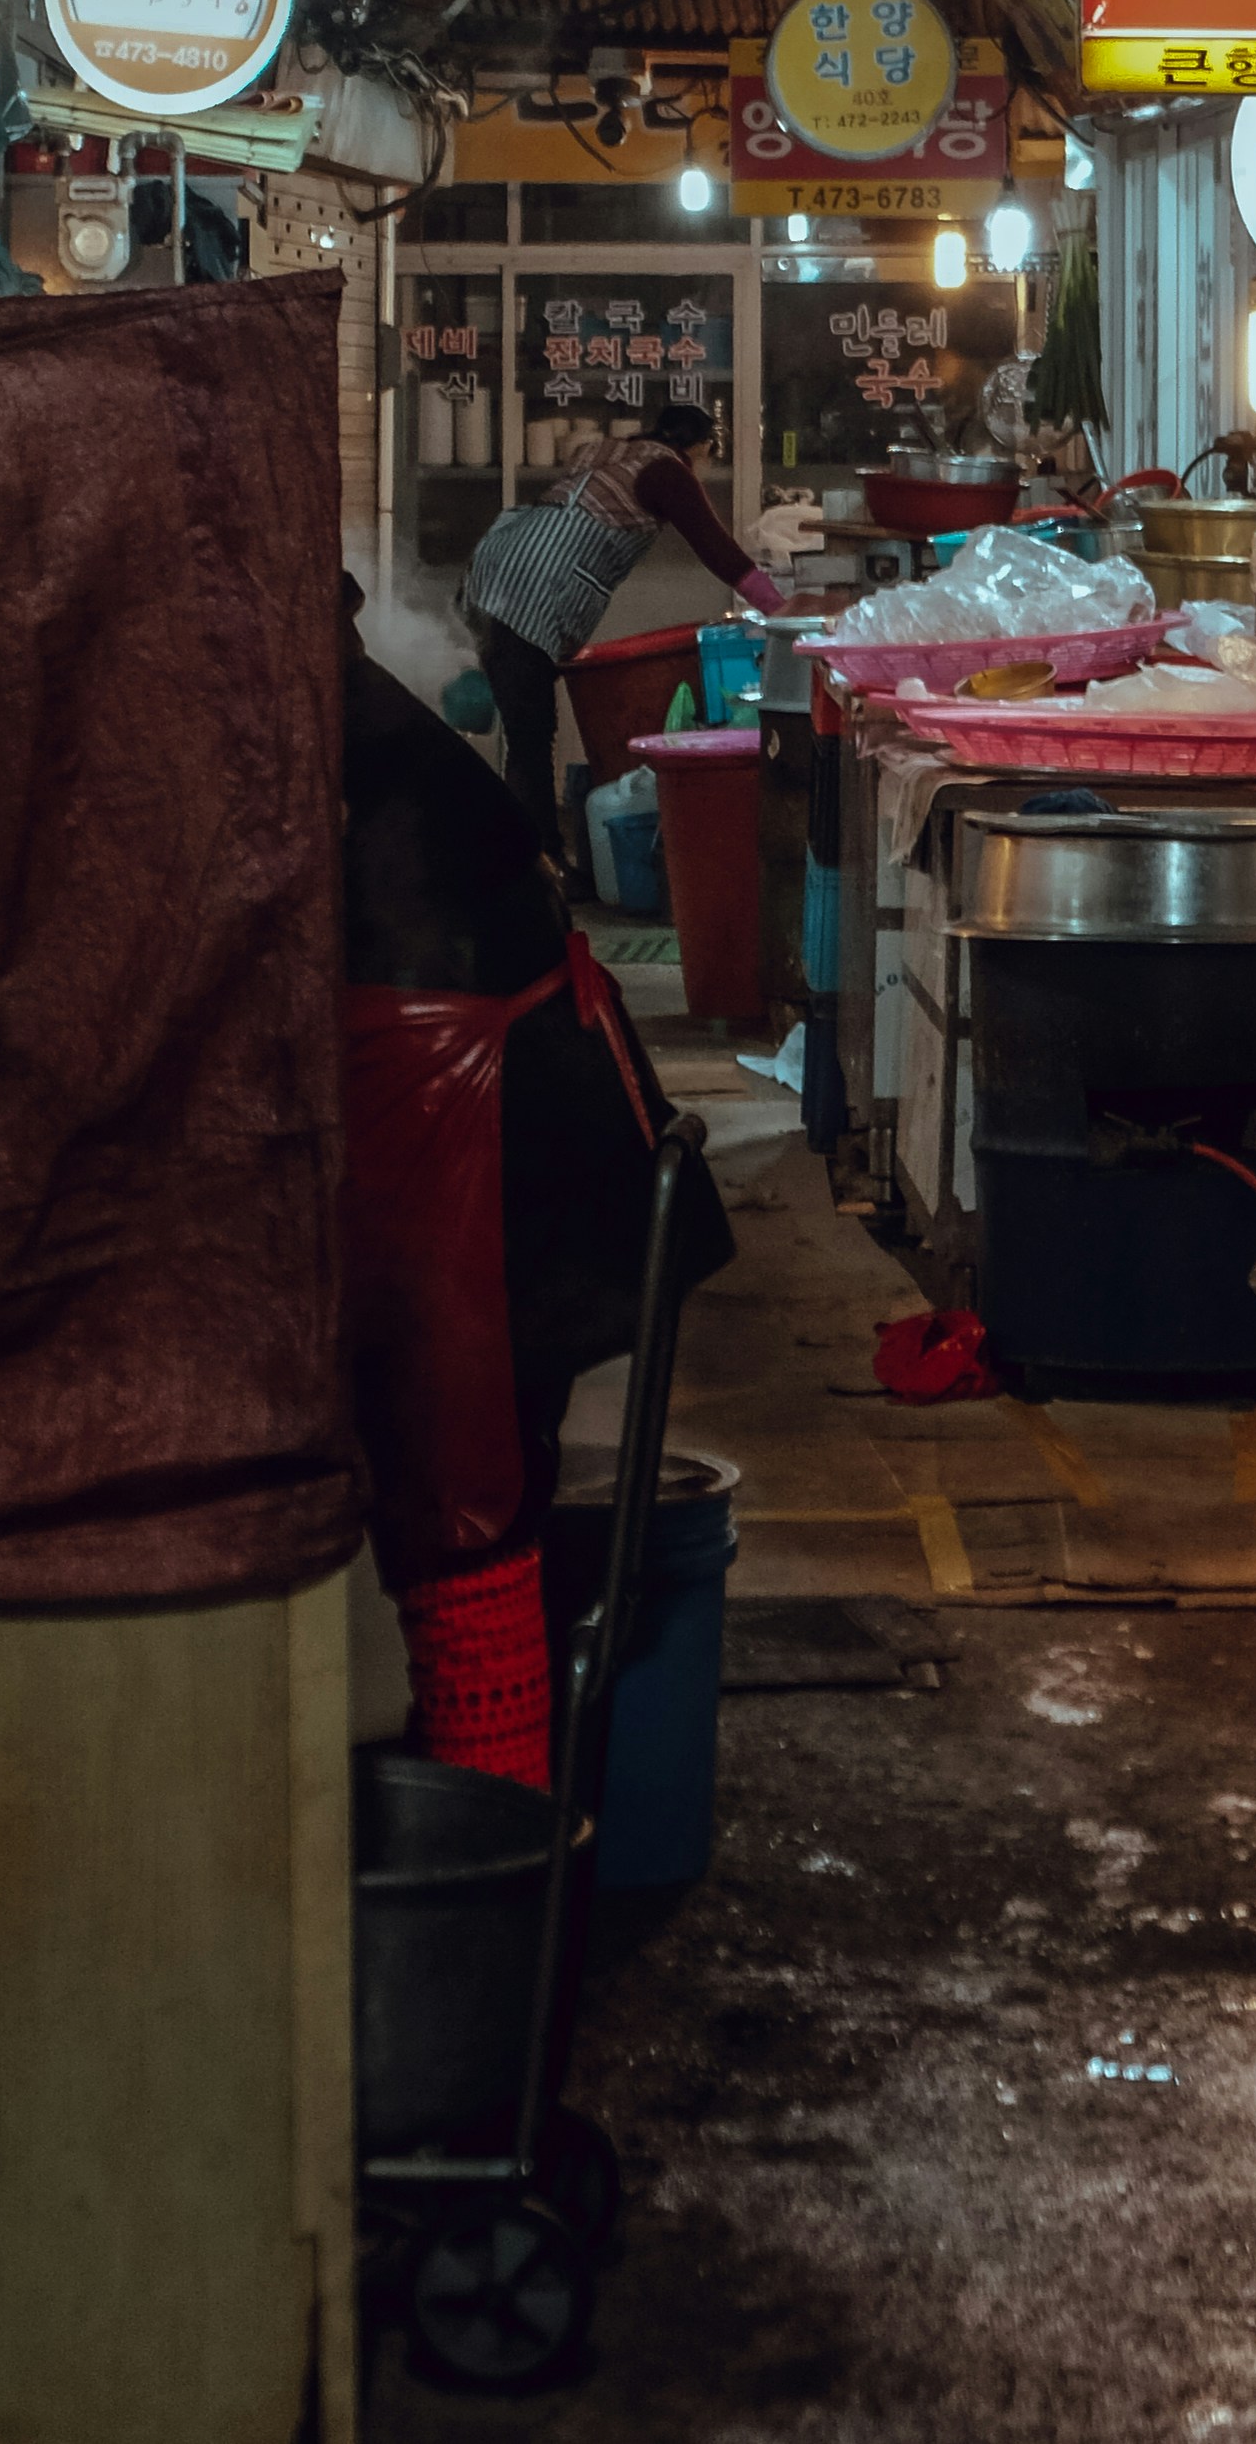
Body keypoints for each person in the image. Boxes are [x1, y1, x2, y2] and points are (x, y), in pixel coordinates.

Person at [340, 578, 733, 1781]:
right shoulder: (335, 706)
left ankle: (494, 1847)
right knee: (483, 1467)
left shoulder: (284, 708)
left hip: (480, 1083)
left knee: (470, 1492)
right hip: (502, 1056)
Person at [460, 402, 781, 867]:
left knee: (518, 719)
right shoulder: (667, 473)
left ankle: (527, 855)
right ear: (702, 447)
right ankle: (537, 864)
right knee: (529, 734)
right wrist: (782, 609)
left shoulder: (609, 452)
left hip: (497, 567)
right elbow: (719, 552)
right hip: (532, 587)